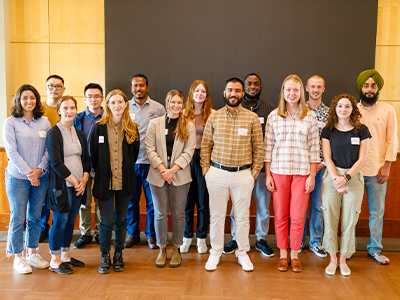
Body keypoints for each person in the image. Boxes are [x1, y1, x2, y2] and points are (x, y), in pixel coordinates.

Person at [201, 77, 263, 272]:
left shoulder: (251, 118)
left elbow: (259, 150)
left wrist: (252, 175)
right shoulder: (214, 117)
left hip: (243, 175)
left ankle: (242, 252)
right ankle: (215, 253)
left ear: (242, 93)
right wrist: (207, 172)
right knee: (217, 216)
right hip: (216, 174)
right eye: (230, 90)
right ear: (224, 93)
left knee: (242, 217)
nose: (233, 94)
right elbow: (205, 147)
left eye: (237, 90)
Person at [264, 74, 319, 273]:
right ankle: (283, 254)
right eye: (288, 90)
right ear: (283, 92)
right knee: (280, 216)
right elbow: (267, 147)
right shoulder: (273, 116)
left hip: (302, 173)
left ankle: (295, 254)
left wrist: (312, 176)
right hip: (278, 172)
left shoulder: (310, 116)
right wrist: (268, 174)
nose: (292, 93)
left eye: (295, 90)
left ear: (301, 92)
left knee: (297, 216)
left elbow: (314, 149)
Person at [224, 73, 276, 257]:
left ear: (260, 86)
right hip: (241, 166)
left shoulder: (270, 109)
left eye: (256, 84)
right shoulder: (235, 106)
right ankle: (236, 238)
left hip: (262, 168)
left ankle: (261, 239)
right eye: (249, 84)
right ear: (243, 87)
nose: (252, 86)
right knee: (237, 206)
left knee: (263, 206)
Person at [3, 84, 51, 274]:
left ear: (37, 100)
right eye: (25, 98)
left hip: (41, 177)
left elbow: (48, 149)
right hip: (17, 177)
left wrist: (39, 170)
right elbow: (11, 151)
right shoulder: (10, 122)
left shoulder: (44, 123)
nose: (29, 101)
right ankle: (18, 256)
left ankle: (32, 253)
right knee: (17, 216)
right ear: (19, 100)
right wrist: (29, 173)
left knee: (35, 217)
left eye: (32, 98)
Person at [321, 94, 371, 276]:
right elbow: (327, 157)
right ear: (335, 108)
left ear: (353, 109)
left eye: (347, 106)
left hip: (353, 178)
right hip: (332, 177)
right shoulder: (328, 131)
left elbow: (362, 158)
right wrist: (336, 179)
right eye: (340, 106)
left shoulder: (362, 130)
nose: (343, 109)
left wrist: (346, 178)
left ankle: (343, 260)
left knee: (350, 221)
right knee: (330, 218)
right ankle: (332, 259)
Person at [90, 90, 139, 274]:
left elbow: (133, 155)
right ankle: (105, 255)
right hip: (104, 183)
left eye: (120, 102)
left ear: (126, 104)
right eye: (113, 102)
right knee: (107, 221)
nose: (117, 105)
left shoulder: (132, 128)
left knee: (121, 219)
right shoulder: (99, 127)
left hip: (124, 182)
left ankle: (119, 253)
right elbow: (94, 156)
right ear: (108, 105)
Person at [145, 90, 196, 268]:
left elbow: (189, 151)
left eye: (179, 103)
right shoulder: (154, 123)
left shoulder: (188, 125)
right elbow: (149, 149)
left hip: (180, 177)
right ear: (167, 103)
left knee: (178, 214)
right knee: (159, 214)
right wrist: (163, 170)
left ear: (183, 105)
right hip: (157, 176)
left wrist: (172, 170)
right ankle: (162, 248)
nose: (176, 106)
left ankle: (176, 248)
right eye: (172, 102)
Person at [354, 69, 398, 264]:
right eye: (366, 85)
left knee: (376, 212)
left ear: (377, 88)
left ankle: (375, 249)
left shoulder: (388, 110)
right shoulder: (351, 109)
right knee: (351, 211)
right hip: (353, 171)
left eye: (373, 86)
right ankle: (349, 248)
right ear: (360, 88)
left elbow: (392, 139)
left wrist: (387, 165)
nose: (369, 89)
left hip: (377, 169)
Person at [46, 96, 90, 275]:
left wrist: (85, 178)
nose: (69, 111)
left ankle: (65, 255)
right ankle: (54, 260)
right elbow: (55, 162)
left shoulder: (79, 132)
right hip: (63, 186)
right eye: (65, 108)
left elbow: (86, 159)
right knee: (59, 222)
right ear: (59, 110)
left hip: (79, 185)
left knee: (71, 221)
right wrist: (74, 180)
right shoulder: (53, 133)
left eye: (72, 108)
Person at [126, 74, 165, 249]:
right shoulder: (124, 106)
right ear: (131, 88)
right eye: (135, 85)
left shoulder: (158, 108)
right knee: (131, 202)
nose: (138, 88)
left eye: (142, 85)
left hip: (151, 164)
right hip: (130, 163)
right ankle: (132, 234)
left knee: (152, 202)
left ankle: (152, 235)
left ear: (147, 88)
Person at [180, 80, 214, 254]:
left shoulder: (213, 114)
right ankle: (186, 238)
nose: (200, 94)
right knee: (187, 203)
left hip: (204, 159)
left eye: (203, 91)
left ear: (206, 95)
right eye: (197, 91)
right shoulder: (183, 113)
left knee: (202, 202)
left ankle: (201, 239)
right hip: (186, 159)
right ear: (191, 93)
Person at [299, 75, 329, 257]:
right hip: (301, 167)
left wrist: (322, 163)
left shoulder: (331, 112)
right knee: (300, 205)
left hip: (323, 168)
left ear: (323, 89)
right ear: (307, 88)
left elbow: (334, 141)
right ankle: (299, 240)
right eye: (313, 86)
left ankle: (315, 242)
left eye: (319, 86)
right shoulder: (299, 111)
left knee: (318, 205)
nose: (316, 90)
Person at [73, 83, 104, 249]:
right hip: (82, 167)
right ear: (85, 99)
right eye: (90, 96)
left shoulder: (109, 117)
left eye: (97, 96)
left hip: (101, 168)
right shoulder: (78, 118)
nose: (93, 99)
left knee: (100, 201)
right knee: (84, 202)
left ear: (102, 98)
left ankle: (99, 232)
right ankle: (85, 233)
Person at [39, 74, 66, 243]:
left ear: (63, 89)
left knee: (59, 195)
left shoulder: (66, 108)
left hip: (61, 161)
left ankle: (58, 228)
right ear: (46, 88)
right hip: (41, 159)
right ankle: (43, 228)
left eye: (58, 86)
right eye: (51, 86)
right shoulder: (38, 109)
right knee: (41, 197)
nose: (54, 89)